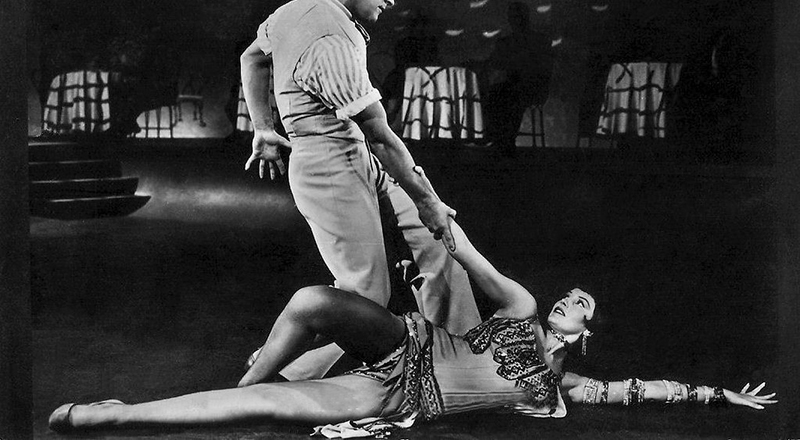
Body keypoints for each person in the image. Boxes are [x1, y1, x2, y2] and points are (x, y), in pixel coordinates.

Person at [48, 215, 777, 436]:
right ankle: (241, 381)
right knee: (312, 300)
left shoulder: (567, 386)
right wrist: (435, 218)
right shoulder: (522, 309)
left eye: (583, 304)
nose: (572, 298)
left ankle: (115, 415)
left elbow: (642, 390)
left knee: (268, 407)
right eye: (572, 294)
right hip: (408, 341)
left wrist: (721, 396)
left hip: (403, 396)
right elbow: (470, 256)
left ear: (586, 333)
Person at [238, 0, 480, 380]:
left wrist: (263, 127)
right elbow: (381, 137)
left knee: (440, 240)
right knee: (366, 299)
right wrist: (427, 198)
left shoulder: (301, 9)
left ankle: (459, 364)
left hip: (356, 153)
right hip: (328, 167)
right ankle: (282, 372)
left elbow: (251, 58)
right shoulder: (326, 37)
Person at [480, 1, 553, 157]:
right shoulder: (536, 40)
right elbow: (496, 62)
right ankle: (500, 139)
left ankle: (500, 139)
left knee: (504, 94)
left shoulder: (535, 41)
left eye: (516, 17)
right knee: (499, 93)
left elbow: (498, 63)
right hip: (519, 88)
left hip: (530, 89)